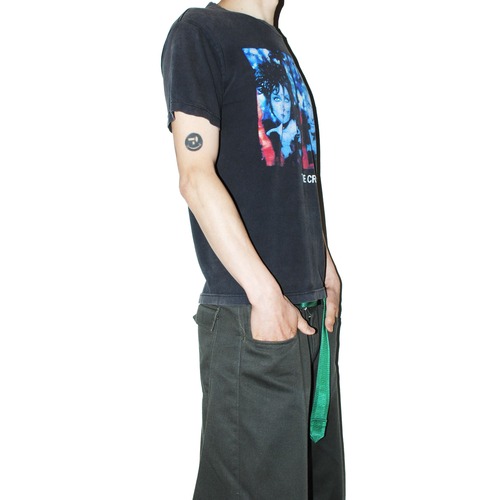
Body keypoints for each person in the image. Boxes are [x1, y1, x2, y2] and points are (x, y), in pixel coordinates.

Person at [160, 1, 345, 498]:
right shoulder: (200, 32)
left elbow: (292, 169)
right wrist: (264, 295)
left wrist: (323, 263)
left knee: (317, 488)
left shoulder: (277, 44)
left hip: (307, 312)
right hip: (254, 318)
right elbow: (195, 176)